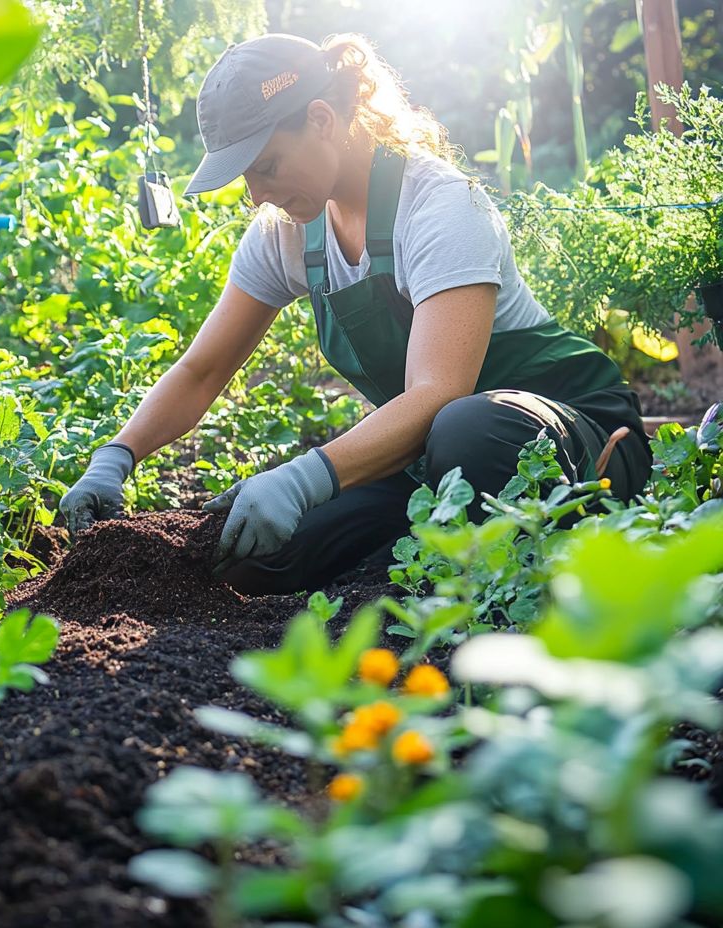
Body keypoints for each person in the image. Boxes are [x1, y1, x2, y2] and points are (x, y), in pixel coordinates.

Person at [58, 32, 652, 595]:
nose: (257, 195)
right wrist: (117, 455)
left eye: (267, 166)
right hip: (430, 457)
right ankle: (424, 550)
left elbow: (439, 391)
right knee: (254, 558)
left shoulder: (440, 205)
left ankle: (491, 557)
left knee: (467, 429)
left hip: (570, 436)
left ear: (321, 120)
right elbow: (202, 371)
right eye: (245, 179)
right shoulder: (287, 234)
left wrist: (302, 479)